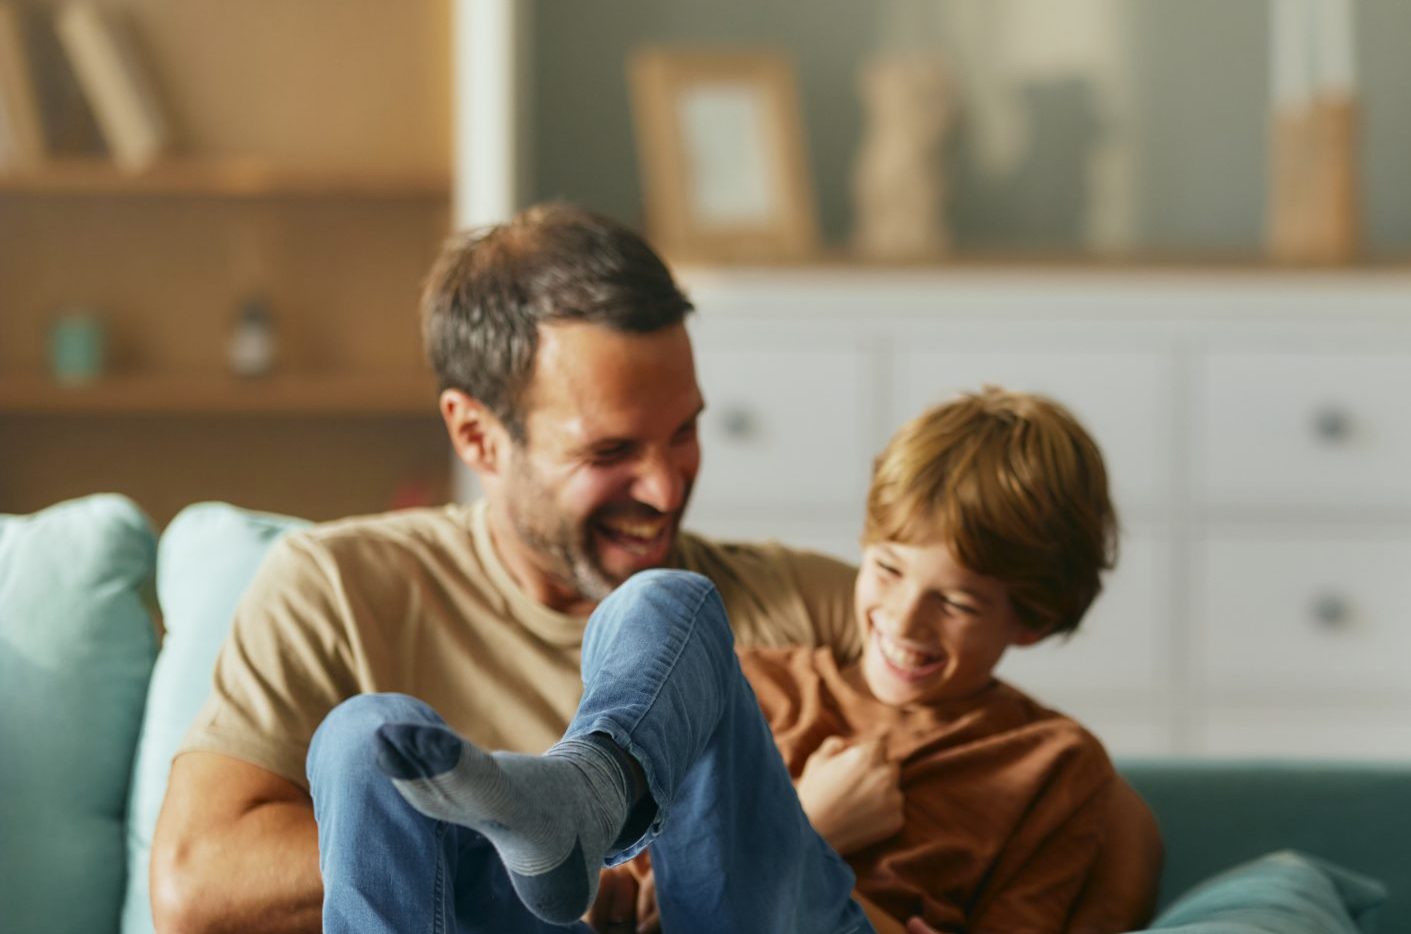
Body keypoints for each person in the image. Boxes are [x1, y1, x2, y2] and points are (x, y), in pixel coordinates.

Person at [149, 202, 878, 934]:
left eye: (684, 431)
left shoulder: (812, 604)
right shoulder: (337, 590)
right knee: (365, 738)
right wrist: (512, 849)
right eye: (610, 451)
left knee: (668, 602)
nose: (664, 490)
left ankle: (584, 802)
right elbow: (199, 884)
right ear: (477, 436)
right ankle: (573, 819)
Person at [579, 388, 1163, 933]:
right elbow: (647, 894)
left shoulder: (1051, 763)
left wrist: (802, 836)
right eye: (887, 569)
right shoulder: (756, 682)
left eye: (956, 603)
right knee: (663, 598)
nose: (904, 621)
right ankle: (578, 791)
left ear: (1030, 620)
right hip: (686, 911)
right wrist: (609, 892)